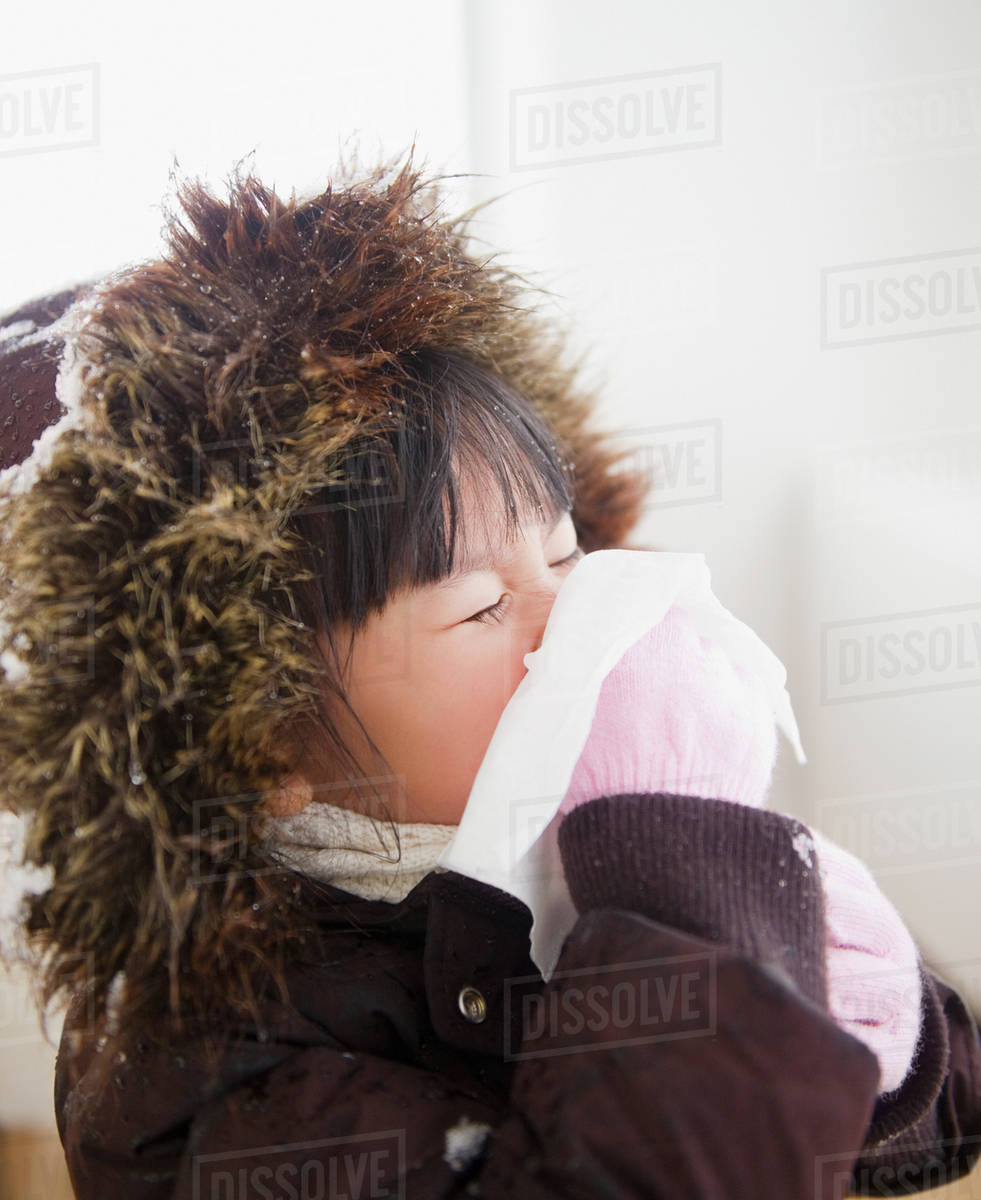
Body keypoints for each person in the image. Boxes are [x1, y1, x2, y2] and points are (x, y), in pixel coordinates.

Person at [0, 148, 978, 1199]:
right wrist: (679, 901)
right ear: (258, 738)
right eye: (479, 605)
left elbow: (945, 1119)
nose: (580, 615)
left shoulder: (575, 835)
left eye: (566, 555)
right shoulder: (218, 1074)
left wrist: (867, 1010)